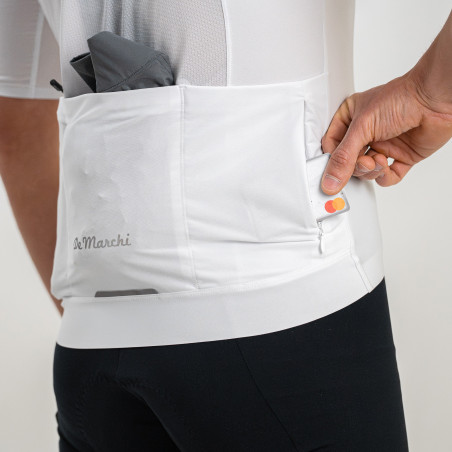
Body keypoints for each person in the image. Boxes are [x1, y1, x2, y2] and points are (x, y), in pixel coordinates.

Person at [0, 1, 450, 451]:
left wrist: (110, 295)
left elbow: (15, 118)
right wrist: (433, 99)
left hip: (93, 343)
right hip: (282, 306)